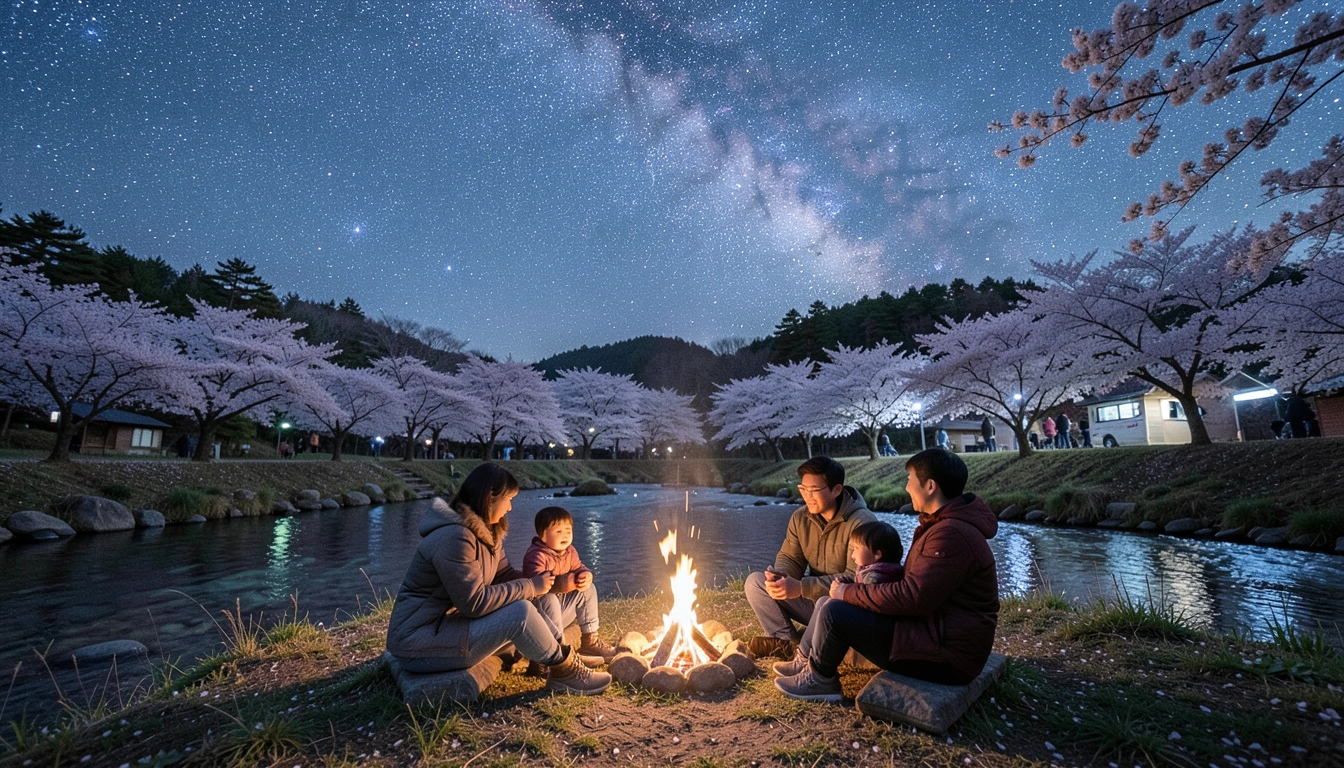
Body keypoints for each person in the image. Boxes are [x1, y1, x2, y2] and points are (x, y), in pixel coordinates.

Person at [775, 449, 999, 702]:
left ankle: (820, 680)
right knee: (830, 600)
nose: (906, 488)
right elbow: (913, 586)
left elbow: (913, 596)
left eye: (910, 480)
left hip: (945, 655)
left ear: (930, 486)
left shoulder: (950, 534)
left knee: (835, 610)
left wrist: (848, 592)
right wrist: (852, 588)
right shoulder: (940, 526)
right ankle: (806, 662)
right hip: (930, 635)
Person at [385, 463, 610, 695]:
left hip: (451, 628)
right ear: (490, 497)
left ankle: (560, 653)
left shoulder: (486, 532)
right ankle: (565, 671)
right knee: (521, 611)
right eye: (509, 499)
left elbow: (503, 576)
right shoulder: (455, 537)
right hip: (421, 643)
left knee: (537, 598)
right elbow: (474, 602)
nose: (510, 507)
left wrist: (549, 583)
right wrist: (531, 585)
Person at [744, 456, 877, 659]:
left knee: (826, 600)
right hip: (814, 603)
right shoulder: (800, 518)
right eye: (803, 489)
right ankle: (785, 642)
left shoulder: (861, 522)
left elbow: (857, 578)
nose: (808, 496)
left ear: (836, 490)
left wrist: (801, 588)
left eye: (814, 490)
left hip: (844, 607)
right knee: (755, 583)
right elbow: (791, 557)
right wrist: (780, 577)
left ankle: (810, 652)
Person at [772, 520, 904, 677]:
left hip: (871, 632)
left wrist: (845, 592)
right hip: (866, 624)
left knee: (828, 604)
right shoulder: (872, 570)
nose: (852, 555)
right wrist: (847, 584)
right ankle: (803, 658)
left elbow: (867, 600)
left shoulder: (877, 577)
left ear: (877, 554)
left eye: (856, 549)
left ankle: (808, 661)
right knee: (823, 601)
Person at [521, 505, 618, 674]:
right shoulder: (536, 555)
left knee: (588, 589)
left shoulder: (569, 551)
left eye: (568, 530)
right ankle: (549, 657)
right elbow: (537, 586)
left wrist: (584, 575)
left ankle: (590, 642)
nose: (565, 535)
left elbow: (578, 567)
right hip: (540, 617)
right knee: (548, 599)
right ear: (542, 535)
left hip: (560, 610)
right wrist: (567, 582)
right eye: (558, 531)